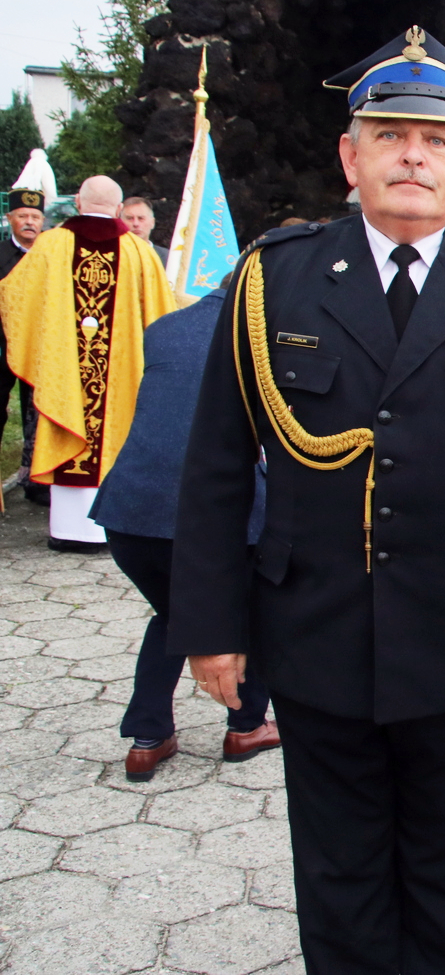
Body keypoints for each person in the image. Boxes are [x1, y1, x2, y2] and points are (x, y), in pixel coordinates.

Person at [166, 26, 445, 974]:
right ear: (350, 154)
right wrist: (209, 625)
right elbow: (213, 466)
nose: (413, 153)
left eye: (436, 139)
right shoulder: (274, 279)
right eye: (390, 133)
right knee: (339, 884)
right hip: (316, 636)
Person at [90, 271, 278, 781]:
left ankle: (147, 737)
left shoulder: (164, 327)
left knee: (175, 613)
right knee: (250, 609)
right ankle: (246, 725)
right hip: (217, 514)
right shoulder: (267, 334)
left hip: (130, 509)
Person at [0, 176, 176, 552]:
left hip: (66, 377)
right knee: (114, 432)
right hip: (120, 381)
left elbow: (14, 300)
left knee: (70, 420)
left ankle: (68, 531)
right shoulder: (139, 253)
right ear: (118, 206)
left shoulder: (49, 246)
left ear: (77, 202)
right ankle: (110, 529)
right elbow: (161, 316)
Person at [1, 188, 46, 504]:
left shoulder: (51, 255)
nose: (29, 222)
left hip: (40, 351)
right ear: (10, 218)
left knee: (40, 414)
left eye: (35, 217)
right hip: (2, 350)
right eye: (23, 216)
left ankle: (36, 478)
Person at [121, 197, 169, 264]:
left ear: (152, 223)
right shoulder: (112, 255)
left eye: (141, 218)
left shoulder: (169, 257)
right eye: (130, 218)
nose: (135, 224)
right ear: (120, 223)